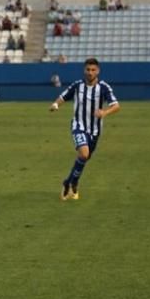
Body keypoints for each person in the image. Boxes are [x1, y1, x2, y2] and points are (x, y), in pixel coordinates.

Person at [49, 58, 120, 201]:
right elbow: (63, 96)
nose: (90, 72)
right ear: (84, 70)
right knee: (84, 153)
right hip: (78, 125)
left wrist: (104, 113)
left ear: (98, 71)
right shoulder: (77, 85)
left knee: (84, 158)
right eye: (88, 69)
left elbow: (116, 105)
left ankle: (70, 182)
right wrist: (56, 105)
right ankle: (72, 183)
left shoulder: (104, 87)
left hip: (95, 130)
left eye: (93, 70)